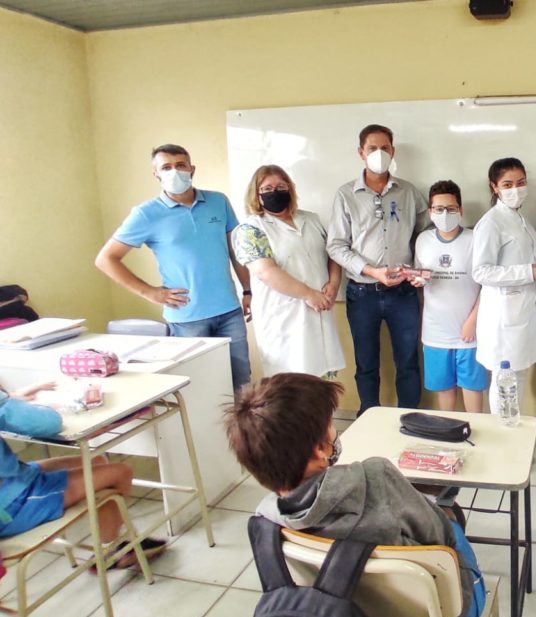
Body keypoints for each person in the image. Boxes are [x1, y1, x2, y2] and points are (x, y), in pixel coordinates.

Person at [223, 373, 485, 617]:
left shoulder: (266, 522)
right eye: (330, 424)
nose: (335, 431)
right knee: (450, 522)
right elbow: (440, 537)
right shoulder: (377, 478)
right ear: (319, 450)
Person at [95, 144, 252, 393]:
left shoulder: (218, 201)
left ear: (192, 169)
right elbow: (106, 259)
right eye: (166, 167)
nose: (174, 172)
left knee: (240, 383)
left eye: (180, 165)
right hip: (187, 318)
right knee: (199, 387)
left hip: (229, 311)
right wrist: (150, 292)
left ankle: (241, 421)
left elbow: (236, 250)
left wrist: (248, 290)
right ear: (156, 174)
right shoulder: (146, 214)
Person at [0, 382, 166, 566]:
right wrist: (9, 402)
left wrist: (11, 400)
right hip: (11, 505)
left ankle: (116, 544)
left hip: (15, 480)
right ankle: (112, 553)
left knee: (96, 462)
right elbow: (50, 423)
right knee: (120, 472)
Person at [326, 124, 428, 415]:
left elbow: (425, 235)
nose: (379, 153)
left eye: (385, 148)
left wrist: (416, 270)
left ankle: (409, 418)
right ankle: (369, 417)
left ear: (393, 151)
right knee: (366, 363)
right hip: (362, 293)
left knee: (408, 361)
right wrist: (372, 270)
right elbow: (336, 246)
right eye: (372, 148)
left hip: (403, 293)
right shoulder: (346, 194)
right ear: (361, 152)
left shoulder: (408, 192)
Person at [232, 165, 345, 379]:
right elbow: (266, 272)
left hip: (320, 308)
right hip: (283, 317)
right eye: (267, 189)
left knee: (322, 382)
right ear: (256, 194)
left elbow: (333, 253)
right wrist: (309, 294)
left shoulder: (311, 219)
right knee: (291, 384)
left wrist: (334, 283)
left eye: (281, 186)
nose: (275, 192)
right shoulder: (250, 229)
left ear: (290, 189)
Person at [472, 158, 536, 415]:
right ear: (494, 187)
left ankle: (512, 430)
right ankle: (503, 433)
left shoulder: (521, 220)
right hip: (503, 317)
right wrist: (528, 272)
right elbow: (481, 271)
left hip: (522, 312)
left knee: (516, 379)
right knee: (504, 380)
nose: (515, 189)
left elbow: (524, 267)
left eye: (520, 183)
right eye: (507, 184)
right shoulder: (491, 222)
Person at [412, 180, 487, 413]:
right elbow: (419, 276)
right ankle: (448, 434)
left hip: (471, 333)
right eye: (439, 209)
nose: (445, 214)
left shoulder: (475, 239)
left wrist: (473, 321)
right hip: (436, 333)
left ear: (461, 210)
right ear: (430, 212)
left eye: (451, 208)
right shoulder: (423, 240)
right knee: (444, 393)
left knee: (473, 389)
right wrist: (418, 280)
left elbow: (487, 285)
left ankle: (476, 432)